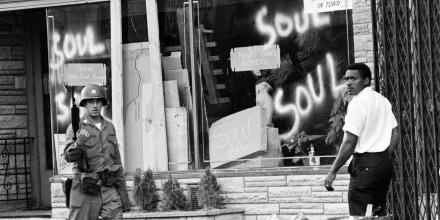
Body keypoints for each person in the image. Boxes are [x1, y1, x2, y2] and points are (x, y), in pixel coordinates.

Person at [323, 63, 399, 216]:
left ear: (366, 81)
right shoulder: (382, 100)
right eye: (347, 79)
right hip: (383, 165)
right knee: (376, 213)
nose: (348, 83)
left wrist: (333, 170)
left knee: (360, 215)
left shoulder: (357, 103)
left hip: (365, 166)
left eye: (353, 78)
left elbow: (349, 142)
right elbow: (395, 134)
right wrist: (381, 157)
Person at [63, 84, 130, 219]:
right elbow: (67, 157)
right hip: (85, 188)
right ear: (84, 104)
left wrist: (123, 195)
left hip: (108, 187)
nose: (94, 105)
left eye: (98, 101)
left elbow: (117, 160)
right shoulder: (76, 127)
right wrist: (78, 144)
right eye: (90, 101)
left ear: (102, 104)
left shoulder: (109, 127)